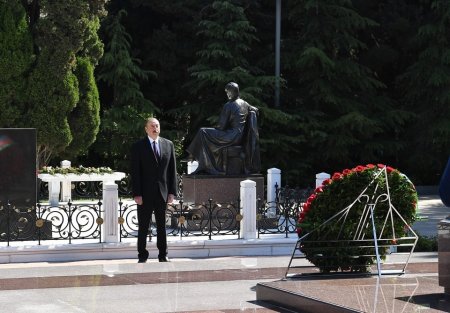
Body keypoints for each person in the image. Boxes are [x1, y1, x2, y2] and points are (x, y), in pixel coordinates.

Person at [131, 117, 178, 263]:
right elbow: (135, 172)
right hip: (144, 195)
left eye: (157, 125)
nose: (155, 128)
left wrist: (172, 192)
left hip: (162, 193)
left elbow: (172, 170)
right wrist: (137, 193)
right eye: (152, 126)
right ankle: (142, 255)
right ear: (146, 129)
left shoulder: (168, 145)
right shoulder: (138, 146)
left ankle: (163, 255)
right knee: (143, 226)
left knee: (162, 226)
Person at [186, 82, 259, 175]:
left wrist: (216, 128)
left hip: (231, 137)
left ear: (233, 92)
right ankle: (200, 162)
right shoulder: (245, 103)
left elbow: (221, 126)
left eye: (228, 92)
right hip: (239, 137)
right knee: (205, 133)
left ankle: (194, 157)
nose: (227, 94)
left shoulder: (229, 105)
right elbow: (255, 109)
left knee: (203, 131)